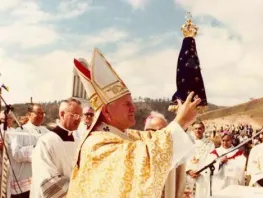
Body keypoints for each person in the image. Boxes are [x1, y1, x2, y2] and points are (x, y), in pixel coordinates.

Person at [66, 48, 199, 198]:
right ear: (107, 111)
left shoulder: (124, 135)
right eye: (126, 104)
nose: (133, 108)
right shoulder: (97, 144)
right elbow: (145, 157)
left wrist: (182, 122)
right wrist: (180, 122)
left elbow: (154, 140)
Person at [30, 98, 82, 198]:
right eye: (75, 115)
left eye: (80, 116)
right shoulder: (46, 142)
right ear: (62, 114)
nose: (78, 119)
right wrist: (77, 190)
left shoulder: (78, 142)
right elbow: (47, 180)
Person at [8, 104, 49, 198]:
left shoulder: (46, 132)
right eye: (38, 113)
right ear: (29, 114)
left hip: (41, 181)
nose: (41, 116)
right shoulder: (19, 131)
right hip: (24, 182)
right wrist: (37, 149)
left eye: (43, 113)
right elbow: (16, 154)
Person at [144, 111, 187, 198]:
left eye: (166, 131)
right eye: (160, 131)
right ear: (146, 132)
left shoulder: (173, 153)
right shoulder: (139, 153)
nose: (165, 136)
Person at [185, 121, 215, 198]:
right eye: (195, 129)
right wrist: (188, 170)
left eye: (200, 128)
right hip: (189, 175)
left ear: (204, 129)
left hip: (202, 175)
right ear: (192, 130)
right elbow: (184, 158)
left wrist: (199, 171)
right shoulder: (187, 142)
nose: (197, 130)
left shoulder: (209, 143)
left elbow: (211, 159)